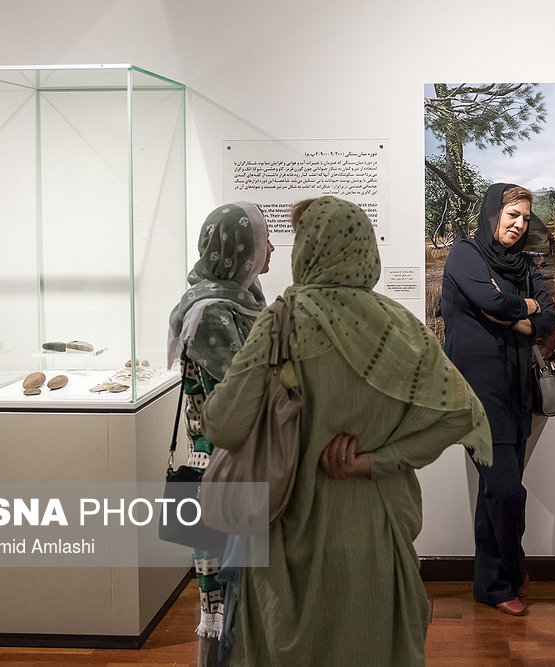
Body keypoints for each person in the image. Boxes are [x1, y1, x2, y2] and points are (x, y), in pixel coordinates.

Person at [201, 196, 491, 665]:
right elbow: (461, 416)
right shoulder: (402, 327)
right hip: (376, 536)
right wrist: (376, 461)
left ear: (308, 250)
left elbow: (223, 423)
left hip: (291, 538)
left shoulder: (281, 320)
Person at [440, 183, 555, 615]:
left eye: (525, 218)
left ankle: (494, 583)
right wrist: (521, 307)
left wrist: (520, 315)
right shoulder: (465, 254)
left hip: (516, 391)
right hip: (476, 392)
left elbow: (548, 317)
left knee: (496, 491)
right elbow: (489, 299)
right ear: (492, 214)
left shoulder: (523, 265)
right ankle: (513, 566)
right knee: (506, 489)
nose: (518, 225)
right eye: (512, 215)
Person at [166, 202, 274, 665]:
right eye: (261, 239)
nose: (270, 247)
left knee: (249, 584)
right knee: (227, 590)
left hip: (247, 456)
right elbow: (244, 387)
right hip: (220, 464)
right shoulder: (210, 311)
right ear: (239, 250)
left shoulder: (246, 296)